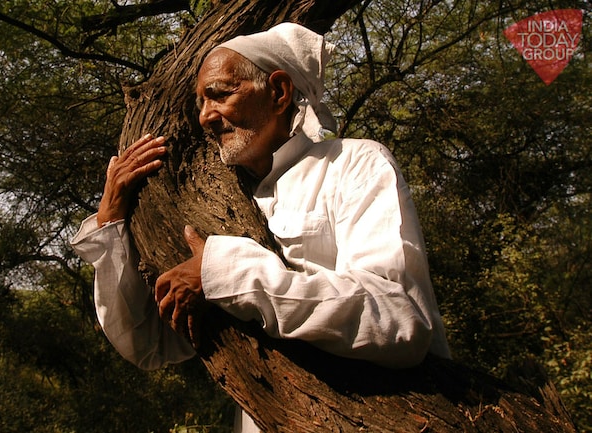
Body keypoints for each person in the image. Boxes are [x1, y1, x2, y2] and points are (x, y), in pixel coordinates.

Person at [71, 22, 450, 433]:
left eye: (220, 94)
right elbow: (149, 344)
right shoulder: (217, 202)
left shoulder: (354, 164)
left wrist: (227, 272)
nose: (205, 117)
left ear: (279, 92)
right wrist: (110, 221)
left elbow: (400, 319)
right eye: (200, 103)